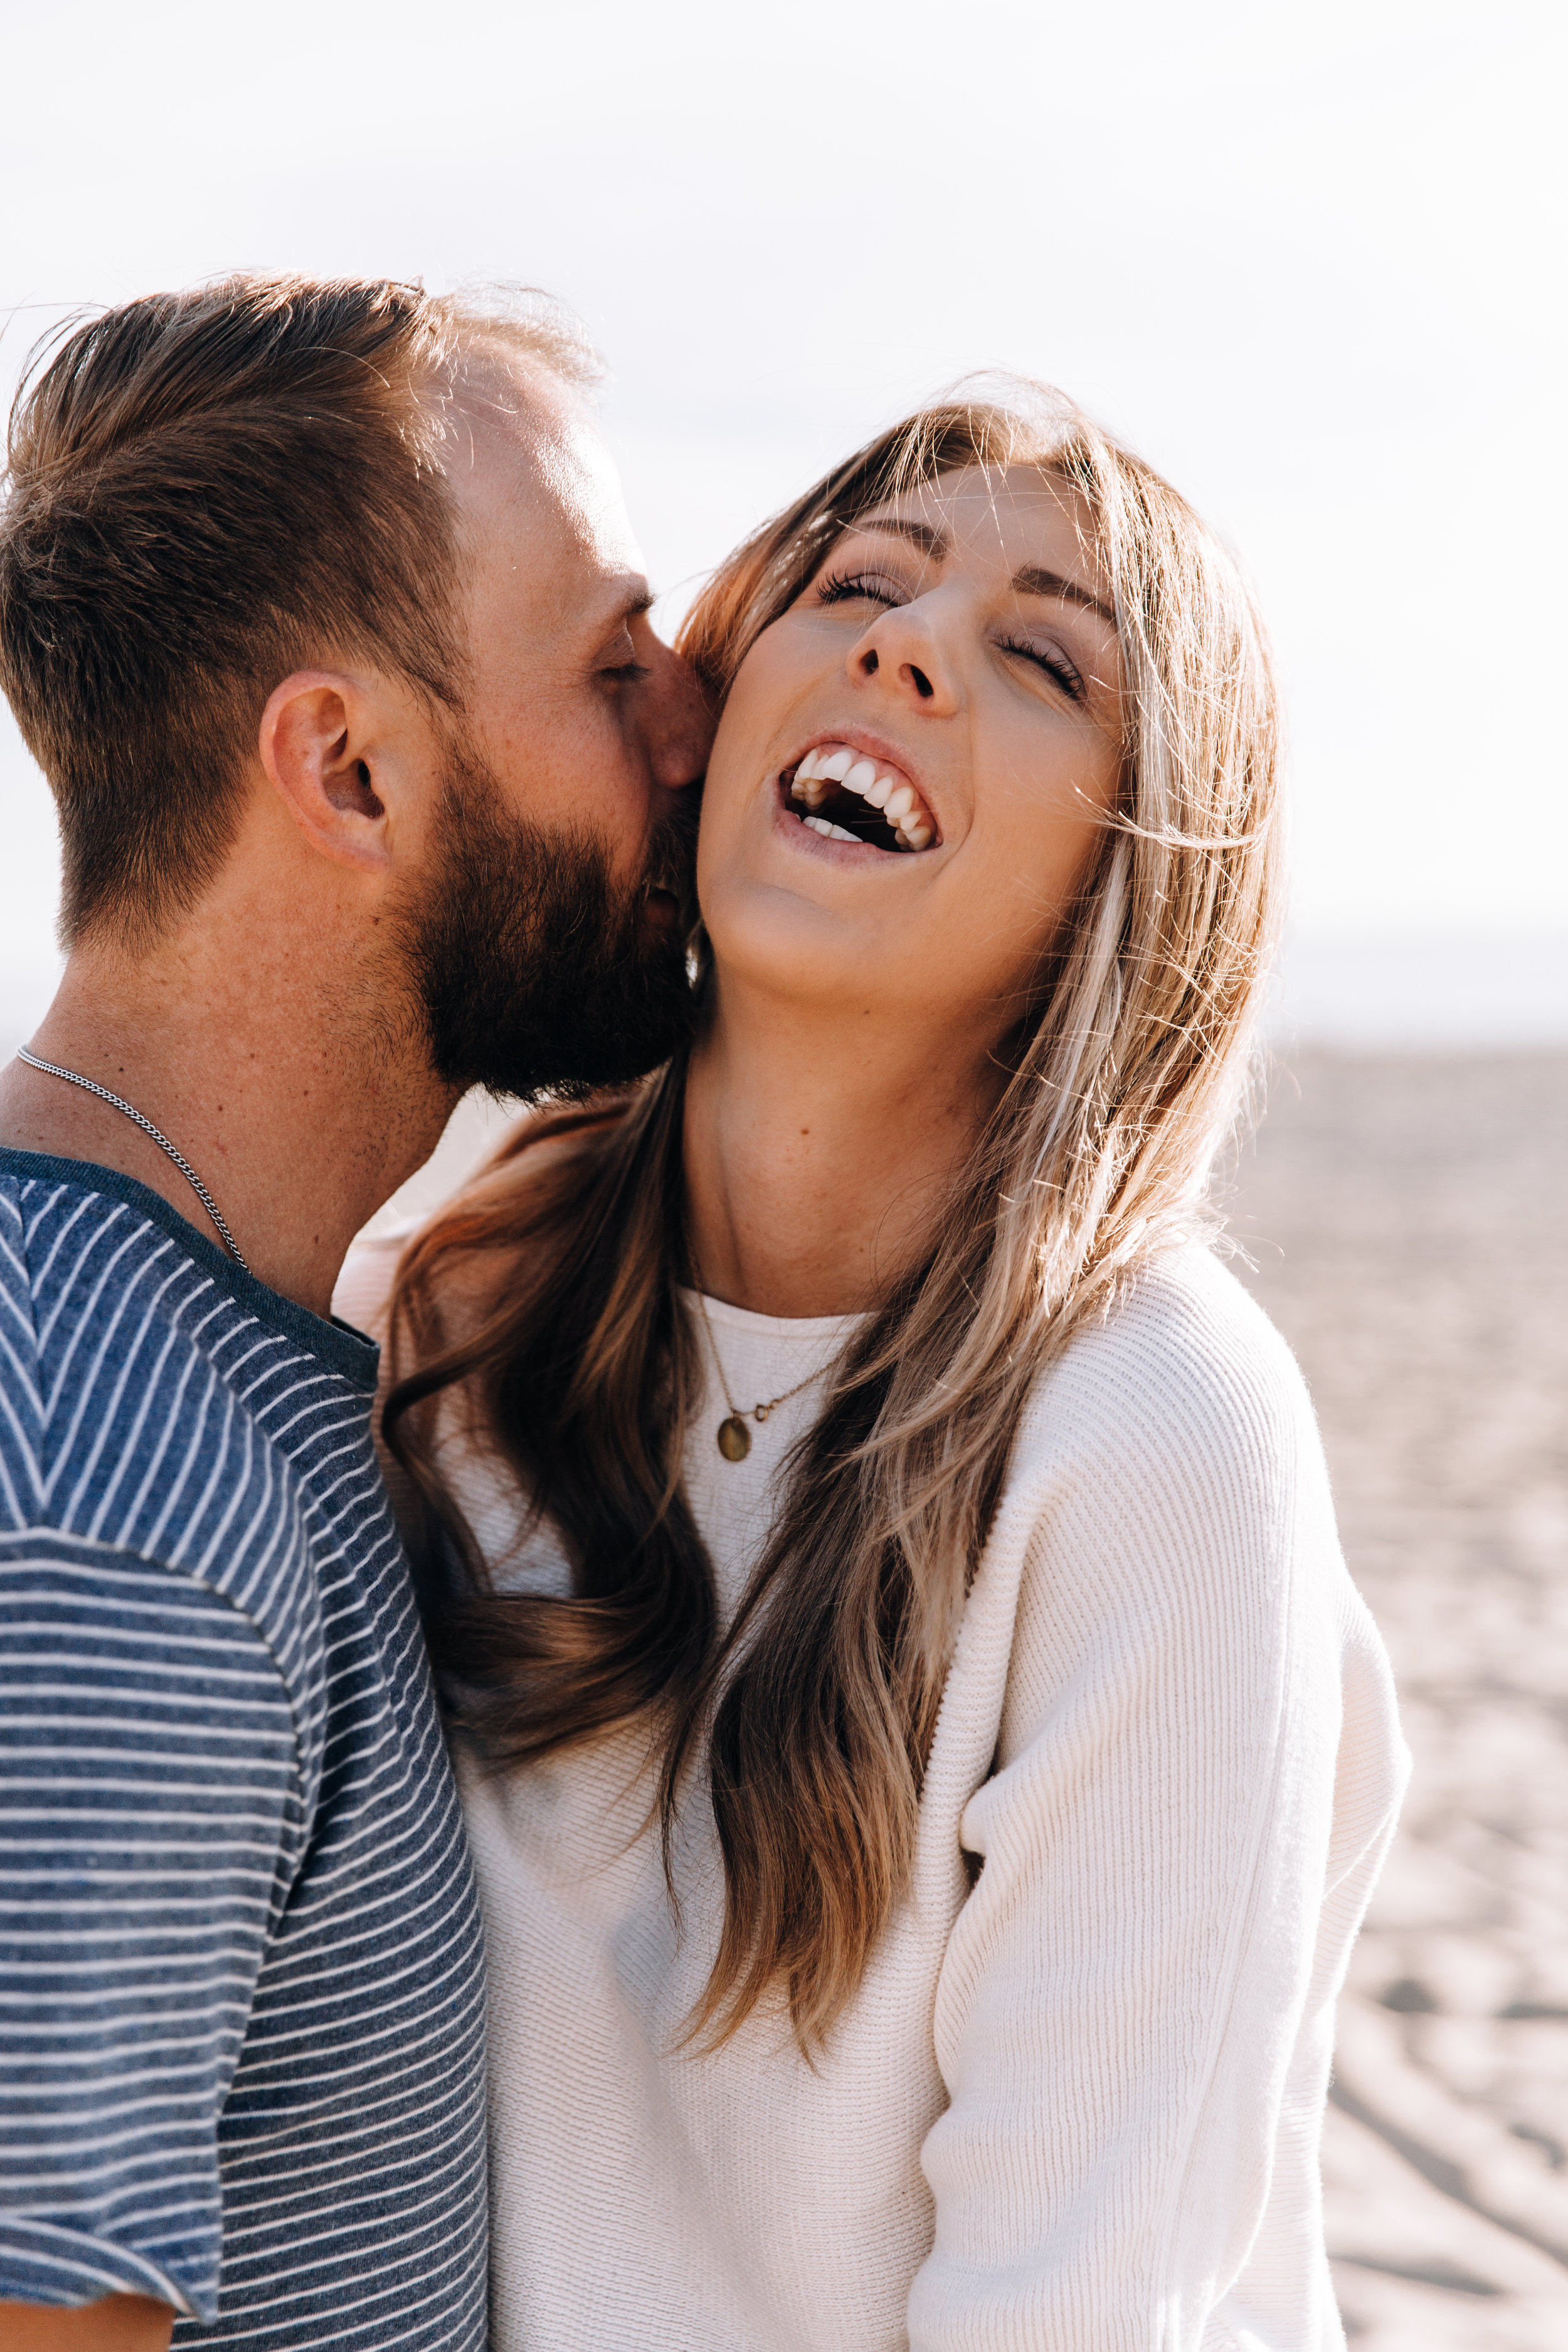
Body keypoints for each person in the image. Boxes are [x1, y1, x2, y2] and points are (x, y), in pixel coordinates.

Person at [363, 388, 1411, 2351]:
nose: (904, 646)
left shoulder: (1151, 1433)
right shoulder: (445, 1310)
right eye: (858, 584)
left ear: (1132, 878)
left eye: (1040, 659)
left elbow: (1074, 2308)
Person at [0, 274, 709, 2351]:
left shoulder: (185, 1353)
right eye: (608, 666)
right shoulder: (112, 1503)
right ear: (350, 771)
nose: (694, 724)